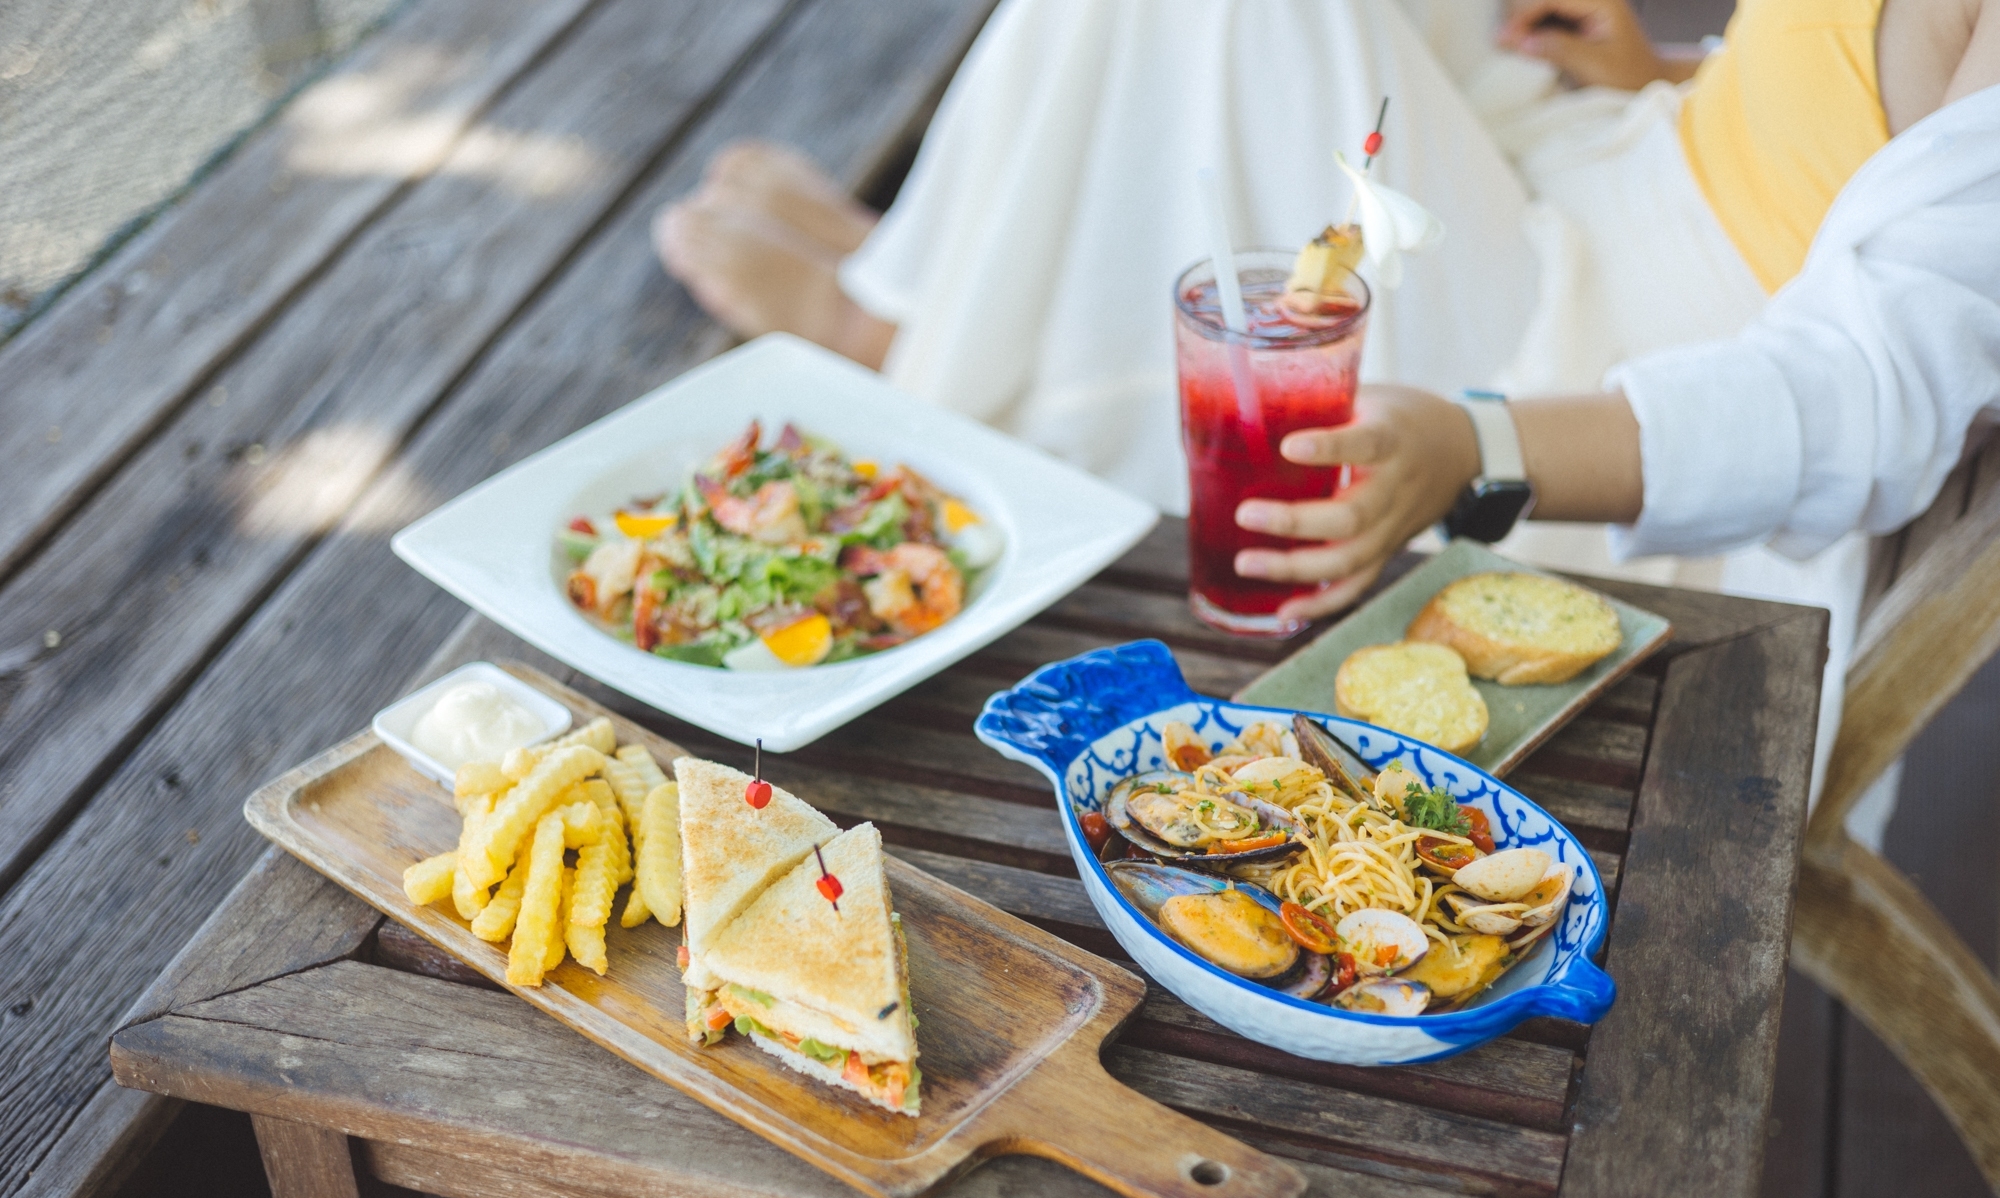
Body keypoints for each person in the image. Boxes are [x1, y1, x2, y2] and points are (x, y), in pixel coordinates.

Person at [658, 0, 2000, 804]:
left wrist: (1479, 443)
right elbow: (1881, 131)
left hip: (1624, 373)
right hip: (1620, 156)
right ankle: (947, 274)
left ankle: (914, 330)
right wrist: (1673, 70)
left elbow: (1867, 395)